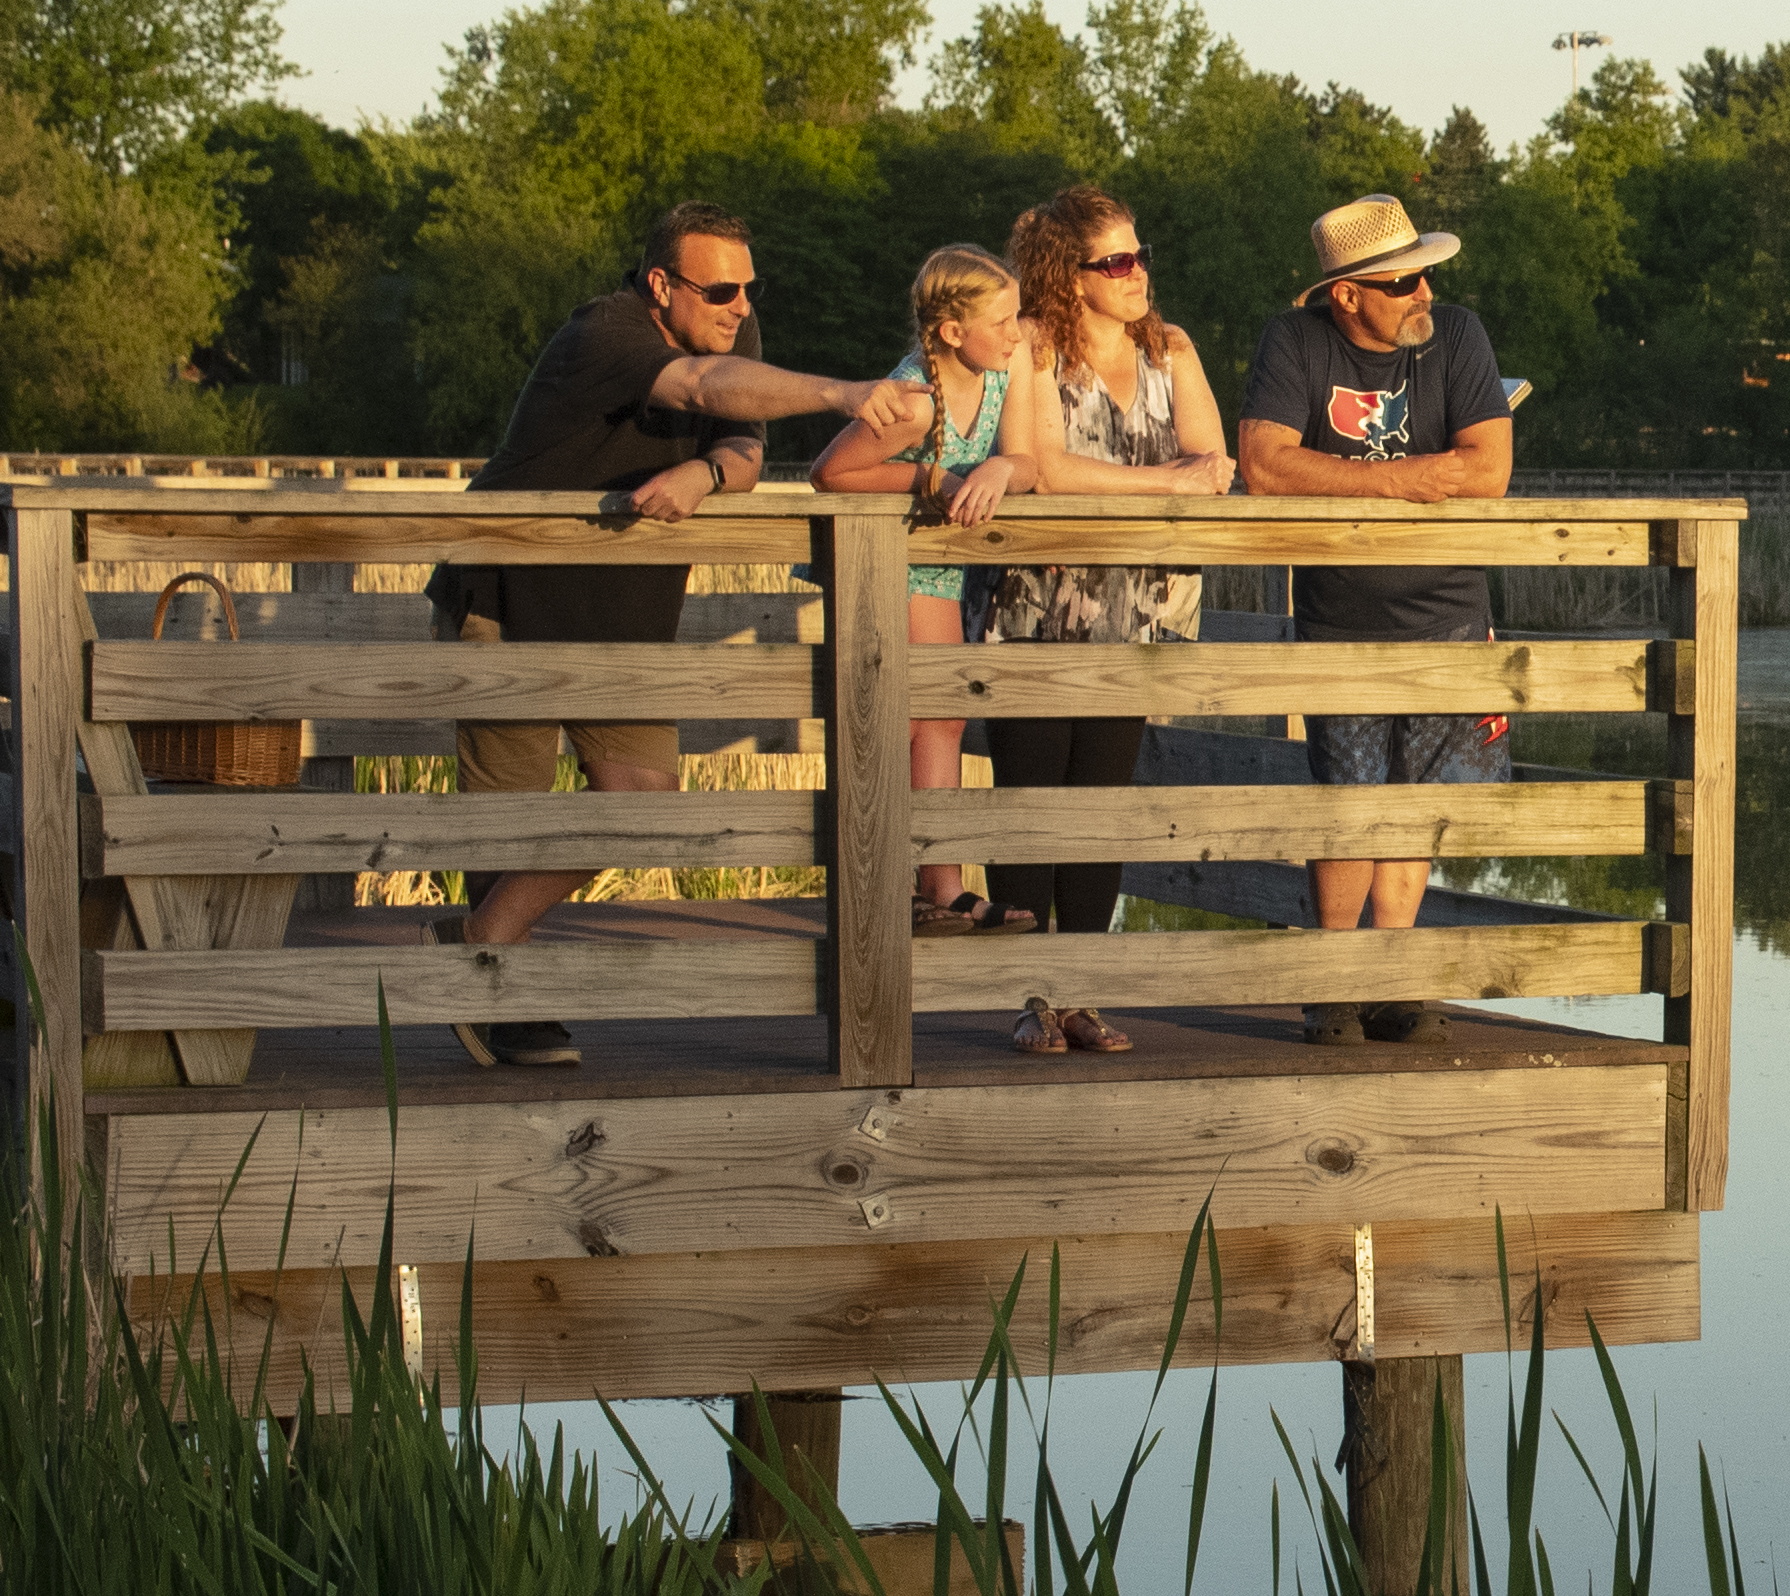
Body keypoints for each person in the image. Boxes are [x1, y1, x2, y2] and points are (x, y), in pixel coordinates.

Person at [427, 201, 933, 1068]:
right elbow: (701, 390)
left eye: (749, 288)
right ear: (661, 285)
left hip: (618, 617)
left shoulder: (728, 328)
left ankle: (477, 939)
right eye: (722, 289)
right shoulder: (604, 333)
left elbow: (741, 441)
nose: (740, 307)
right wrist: (847, 394)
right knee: (506, 820)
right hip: (507, 596)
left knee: (644, 797)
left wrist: (705, 469)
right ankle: (495, 996)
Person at [1233, 194, 1515, 1046]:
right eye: (1402, 283)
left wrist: (1346, 475)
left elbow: (1490, 469)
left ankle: (1389, 979)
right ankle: (1332, 986)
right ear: (1347, 294)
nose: (1423, 293)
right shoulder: (1296, 342)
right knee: (1347, 799)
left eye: (1426, 274)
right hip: (1339, 611)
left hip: (1450, 609)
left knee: (1418, 799)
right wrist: (1411, 481)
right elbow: (1263, 467)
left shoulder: (1458, 333)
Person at [985, 185, 1236, 1054]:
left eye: (1140, 256)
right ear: (1070, 272)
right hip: (1042, 604)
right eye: (1116, 261)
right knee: (1030, 802)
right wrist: (1165, 483)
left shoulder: (1171, 348)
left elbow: (1215, 460)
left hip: (1138, 608)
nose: (1137, 274)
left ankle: (1082, 993)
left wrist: (1185, 477)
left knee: (1101, 805)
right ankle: (1029, 998)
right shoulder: (1033, 347)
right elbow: (1044, 467)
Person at [805, 242, 1039, 936]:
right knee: (902, 722)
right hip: (885, 560)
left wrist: (1000, 469)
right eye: (1001, 321)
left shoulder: (1004, 367)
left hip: (936, 563)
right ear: (949, 332)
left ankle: (945, 883)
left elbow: (1025, 456)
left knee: (944, 717)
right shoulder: (911, 402)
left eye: (1017, 316)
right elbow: (829, 472)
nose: (1017, 332)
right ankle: (893, 882)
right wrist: (927, 479)